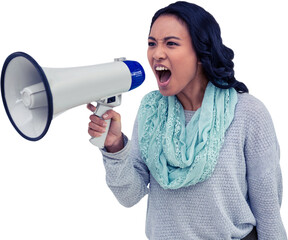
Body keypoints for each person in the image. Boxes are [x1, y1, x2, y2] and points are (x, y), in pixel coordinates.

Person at [87, 1, 287, 239]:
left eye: (171, 43)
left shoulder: (248, 113)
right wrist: (115, 146)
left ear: (202, 53)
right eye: (152, 44)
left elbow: (269, 214)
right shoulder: (151, 111)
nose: (157, 54)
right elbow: (130, 196)